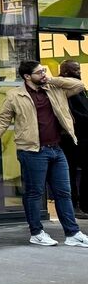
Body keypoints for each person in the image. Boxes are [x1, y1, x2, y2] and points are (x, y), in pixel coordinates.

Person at [0, 60, 88, 248]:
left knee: (64, 192)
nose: (43, 74)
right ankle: (37, 232)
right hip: (32, 151)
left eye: (44, 70)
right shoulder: (15, 95)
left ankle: (72, 233)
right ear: (27, 76)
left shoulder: (54, 89)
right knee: (34, 193)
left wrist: (53, 79)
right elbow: (2, 121)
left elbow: (79, 85)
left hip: (56, 149)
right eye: (39, 72)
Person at [55, 60, 88, 217]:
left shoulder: (77, 87)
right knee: (70, 172)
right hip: (70, 137)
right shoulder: (63, 88)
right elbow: (71, 113)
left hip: (83, 136)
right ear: (66, 72)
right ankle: (74, 206)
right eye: (76, 70)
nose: (79, 72)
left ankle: (84, 205)